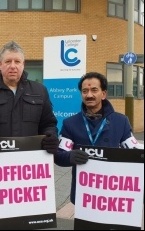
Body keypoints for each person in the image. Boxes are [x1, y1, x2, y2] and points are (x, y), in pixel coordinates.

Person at [0, 41, 60, 230]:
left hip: (28, 181)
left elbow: (49, 123)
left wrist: (50, 136)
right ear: (0, 65)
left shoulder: (39, 91)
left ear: (24, 64)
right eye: (8, 61)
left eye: (17, 61)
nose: (13, 66)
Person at [54, 72, 144, 205]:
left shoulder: (121, 121)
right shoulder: (70, 123)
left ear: (103, 94)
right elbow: (58, 155)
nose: (89, 95)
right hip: (83, 193)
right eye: (85, 91)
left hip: (113, 192)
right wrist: (70, 156)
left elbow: (134, 152)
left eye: (94, 90)